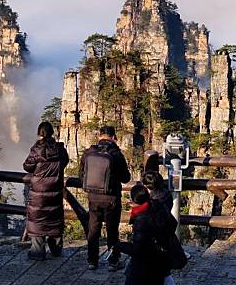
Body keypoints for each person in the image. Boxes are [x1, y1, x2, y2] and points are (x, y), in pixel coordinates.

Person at [80, 125, 131, 271]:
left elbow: (81, 174)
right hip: (111, 199)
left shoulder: (89, 153)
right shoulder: (116, 154)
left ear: (99, 136)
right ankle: (113, 262)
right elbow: (126, 178)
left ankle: (92, 261)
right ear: (114, 137)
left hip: (93, 198)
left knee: (93, 230)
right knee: (112, 230)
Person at [23, 121, 69, 260]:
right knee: (54, 217)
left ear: (39, 134)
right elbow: (65, 162)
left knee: (37, 218)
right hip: (55, 189)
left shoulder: (36, 150)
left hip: (39, 191)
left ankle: (37, 251)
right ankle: (56, 249)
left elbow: (27, 166)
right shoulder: (59, 149)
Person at [115, 184, 178, 285]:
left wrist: (119, 246)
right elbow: (173, 223)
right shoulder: (159, 206)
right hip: (161, 257)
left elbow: (137, 249)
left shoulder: (141, 220)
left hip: (146, 264)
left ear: (133, 201)